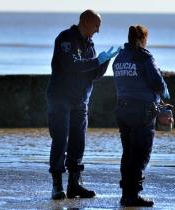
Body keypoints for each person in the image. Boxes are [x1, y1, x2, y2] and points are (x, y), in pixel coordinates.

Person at [47, 9, 120, 200]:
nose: (98, 31)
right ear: (86, 22)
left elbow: (92, 74)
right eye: (97, 26)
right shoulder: (66, 39)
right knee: (61, 140)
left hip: (81, 100)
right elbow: (73, 66)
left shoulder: (90, 43)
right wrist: (97, 60)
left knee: (78, 143)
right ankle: (57, 185)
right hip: (61, 98)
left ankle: (74, 184)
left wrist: (104, 62)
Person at [112, 25, 170, 207]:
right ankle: (133, 195)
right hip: (142, 111)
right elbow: (157, 83)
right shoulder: (145, 57)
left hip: (122, 109)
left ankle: (125, 193)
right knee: (141, 153)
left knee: (128, 152)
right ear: (144, 39)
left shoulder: (119, 57)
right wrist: (164, 93)